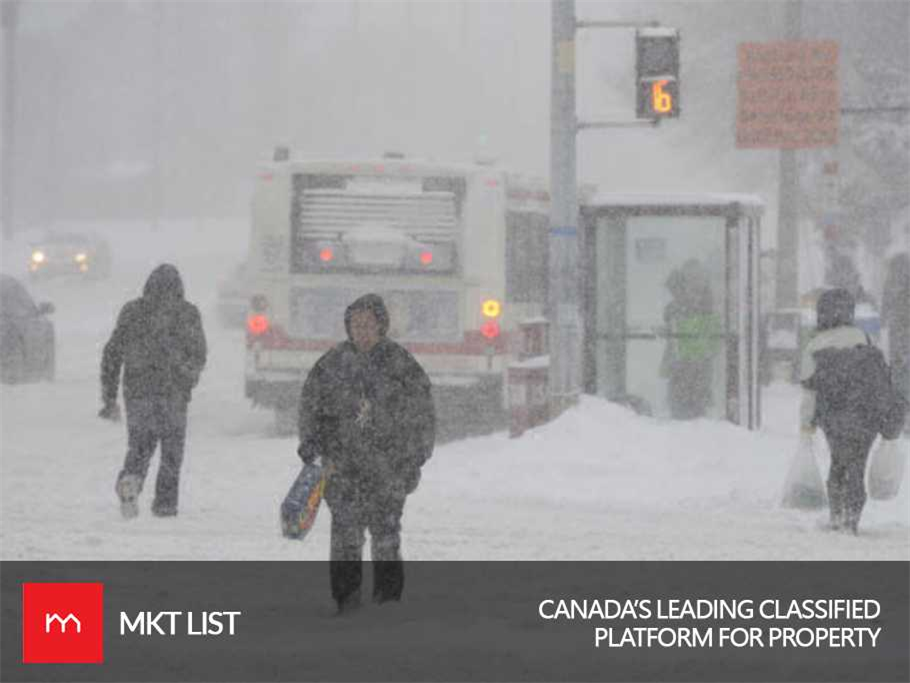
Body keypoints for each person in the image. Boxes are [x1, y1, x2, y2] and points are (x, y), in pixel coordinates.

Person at [297, 293, 435, 614]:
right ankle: (347, 601)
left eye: (368, 324)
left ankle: (388, 601)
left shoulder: (402, 365)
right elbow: (310, 409)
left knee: (386, 535)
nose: (361, 331)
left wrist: (414, 457)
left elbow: (422, 415)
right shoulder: (331, 364)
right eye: (355, 324)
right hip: (341, 470)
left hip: (389, 469)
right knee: (345, 535)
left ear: (381, 326)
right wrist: (312, 448)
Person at [99, 264, 207, 518]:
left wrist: (110, 396)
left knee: (139, 446)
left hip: (137, 391)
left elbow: (112, 354)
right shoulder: (187, 313)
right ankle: (165, 505)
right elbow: (198, 354)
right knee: (171, 453)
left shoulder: (132, 312)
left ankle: (131, 479)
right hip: (173, 392)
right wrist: (187, 378)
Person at [799, 288, 898, 534]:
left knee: (839, 462)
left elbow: (809, 391)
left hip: (834, 415)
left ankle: (838, 515)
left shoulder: (814, 344)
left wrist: (806, 426)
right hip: (867, 415)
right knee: (857, 464)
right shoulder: (864, 338)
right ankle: (852, 517)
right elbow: (880, 377)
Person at [661, 259, 719, 419]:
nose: (695, 283)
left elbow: (713, 341)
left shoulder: (706, 304)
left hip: (696, 369)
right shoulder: (678, 306)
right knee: (683, 411)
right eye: (691, 278)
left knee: (695, 414)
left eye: (699, 278)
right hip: (683, 368)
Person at [882, 253, 910, 420]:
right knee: (902, 369)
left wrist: (884, 319)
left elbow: (885, 307)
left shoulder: (893, 283)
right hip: (900, 332)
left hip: (899, 333)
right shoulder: (896, 283)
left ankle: (902, 410)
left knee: (899, 369)